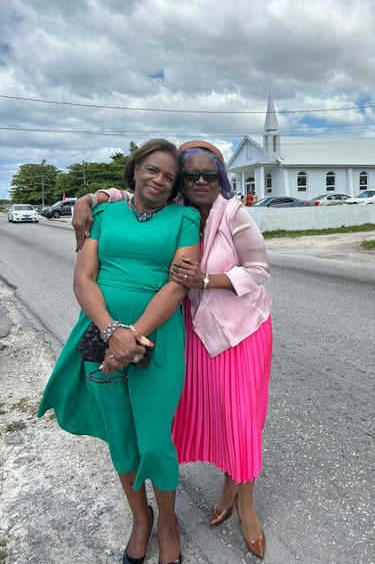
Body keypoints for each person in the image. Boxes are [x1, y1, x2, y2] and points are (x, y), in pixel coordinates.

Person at [72, 140, 273, 559]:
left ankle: (243, 505)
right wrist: (90, 197)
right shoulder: (168, 206)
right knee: (205, 417)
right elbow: (132, 193)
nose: (199, 181)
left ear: (220, 177)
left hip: (241, 329)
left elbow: (258, 270)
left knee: (238, 418)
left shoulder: (229, 213)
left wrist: (206, 281)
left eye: (208, 174)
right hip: (197, 331)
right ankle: (169, 509)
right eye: (190, 174)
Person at [38, 139, 200, 564]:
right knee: (120, 436)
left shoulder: (185, 219)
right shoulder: (104, 214)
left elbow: (178, 285)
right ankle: (141, 519)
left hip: (158, 339)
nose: (159, 180)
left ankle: (168, 523)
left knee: (155, 439)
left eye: (169, 177)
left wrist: (131, 337)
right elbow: (84, 279)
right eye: (152, 170)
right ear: (136, 169)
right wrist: (111, 331)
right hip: (98, 334)